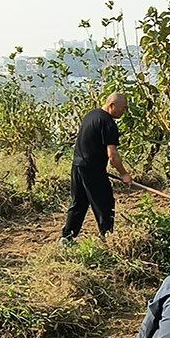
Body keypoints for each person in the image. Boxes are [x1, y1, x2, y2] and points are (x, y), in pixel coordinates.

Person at [61, 92, 132, 244]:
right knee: (105, 205)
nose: (124, 112)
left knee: (78, 203)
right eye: (123, 108)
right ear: (112, 105)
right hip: (92, 169)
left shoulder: (92, 115)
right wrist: (124, 174)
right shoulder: (108, 123)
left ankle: (67, 238)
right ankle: (108, 240)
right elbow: (112, 155)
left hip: (78, 166)